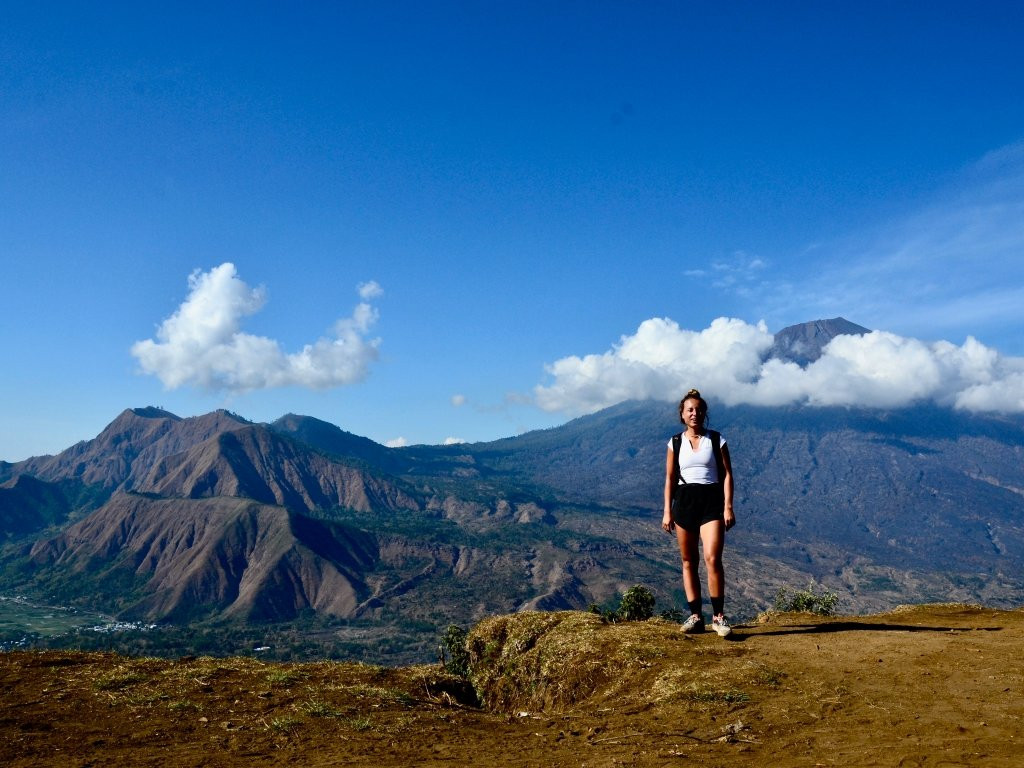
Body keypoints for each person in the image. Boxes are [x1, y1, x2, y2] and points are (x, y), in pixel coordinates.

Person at [662, 389, 735, 637]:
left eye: (698, 409)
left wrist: (728, 506)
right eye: (689, 410)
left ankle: (718, 616)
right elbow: (670, 478)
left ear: (704, 413)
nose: (694, 413)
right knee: (688, 561)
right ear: (682, 414)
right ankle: (695, 616)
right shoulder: (674, 443)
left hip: (711, 503)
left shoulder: (716, 440)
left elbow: (727, 475)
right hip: (684, 503)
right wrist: (666, 511)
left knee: (712, 558)